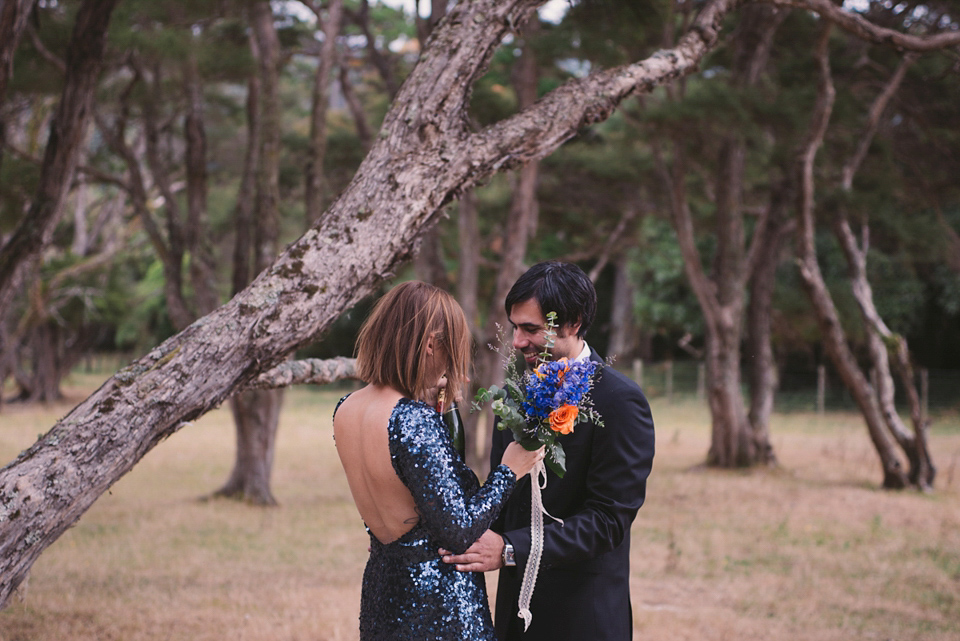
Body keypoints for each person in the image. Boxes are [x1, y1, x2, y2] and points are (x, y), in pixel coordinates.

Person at [441, 261, 656, 641]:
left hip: (582, 616)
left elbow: (608, 522)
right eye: (515, 328)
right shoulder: (511, 397)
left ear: (572, 323)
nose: (519, 341)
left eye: (531, 329)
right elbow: (503, 499)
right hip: (513, 616)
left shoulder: (620, 401)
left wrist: (509, 549)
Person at [332, 280, 544, 641]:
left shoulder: (347, 408)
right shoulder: (413, 420)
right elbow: (457, 531)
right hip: (438, 606)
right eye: (451, 353)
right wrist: (509, 471)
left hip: (385, 593)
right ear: (431, 344)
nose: (450, 369)